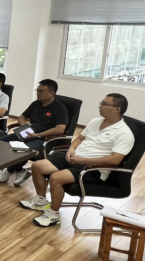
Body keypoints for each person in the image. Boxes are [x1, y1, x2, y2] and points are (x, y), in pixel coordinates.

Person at [20, 94, 135, 228]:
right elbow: (79, 138)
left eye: (104, 104)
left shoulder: (124, 133)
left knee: (56, 178)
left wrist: (83, 160)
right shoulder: (95, 121)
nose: (100, 106)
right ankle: (41, 201)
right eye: (101, 103)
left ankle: (54, 215)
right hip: (75, 158)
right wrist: (71, 149)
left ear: (117, 109)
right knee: (37, 166)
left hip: (93, 168)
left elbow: (115, 160)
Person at [0, 80, 69, 187]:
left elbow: (60, 129)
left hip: (43, 138)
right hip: (29, 133)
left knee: (23, 151)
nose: (38, 93)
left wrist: (38, 135)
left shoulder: (60, 109)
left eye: (41, 91)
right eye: (37, 90)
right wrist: (24, 127)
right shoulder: (36, 104)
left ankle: (10, 169)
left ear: (51, 93)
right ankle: (20, 170)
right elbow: (22, 117)